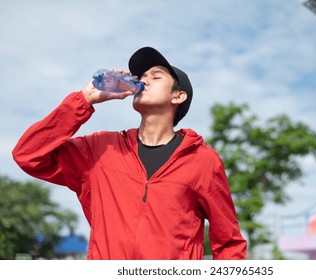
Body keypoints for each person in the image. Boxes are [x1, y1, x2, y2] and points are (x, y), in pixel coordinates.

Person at [12, 47, 247, 260]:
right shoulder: (101, 149)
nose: (145, 80)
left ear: (178, 96)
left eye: (156, 76)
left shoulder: (203, 161)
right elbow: (28, 154)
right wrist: (84, 100)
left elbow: (229, 244)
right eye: (142, 77)